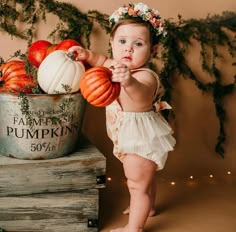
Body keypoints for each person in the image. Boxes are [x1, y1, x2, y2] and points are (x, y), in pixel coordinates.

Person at [69, 2, 176, 232]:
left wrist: (128, 81)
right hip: (127, 136)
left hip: (141, 140)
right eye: (122, 41)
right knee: (143, 181)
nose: (128, 49)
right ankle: (148, 208)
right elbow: (99, 61)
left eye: (138, 44)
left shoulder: (146, 76)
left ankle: (133, 228)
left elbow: (141, 97)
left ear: (153, 50)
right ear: (112, 43)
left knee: (137, 185)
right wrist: (86, 54)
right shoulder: (115, 65)